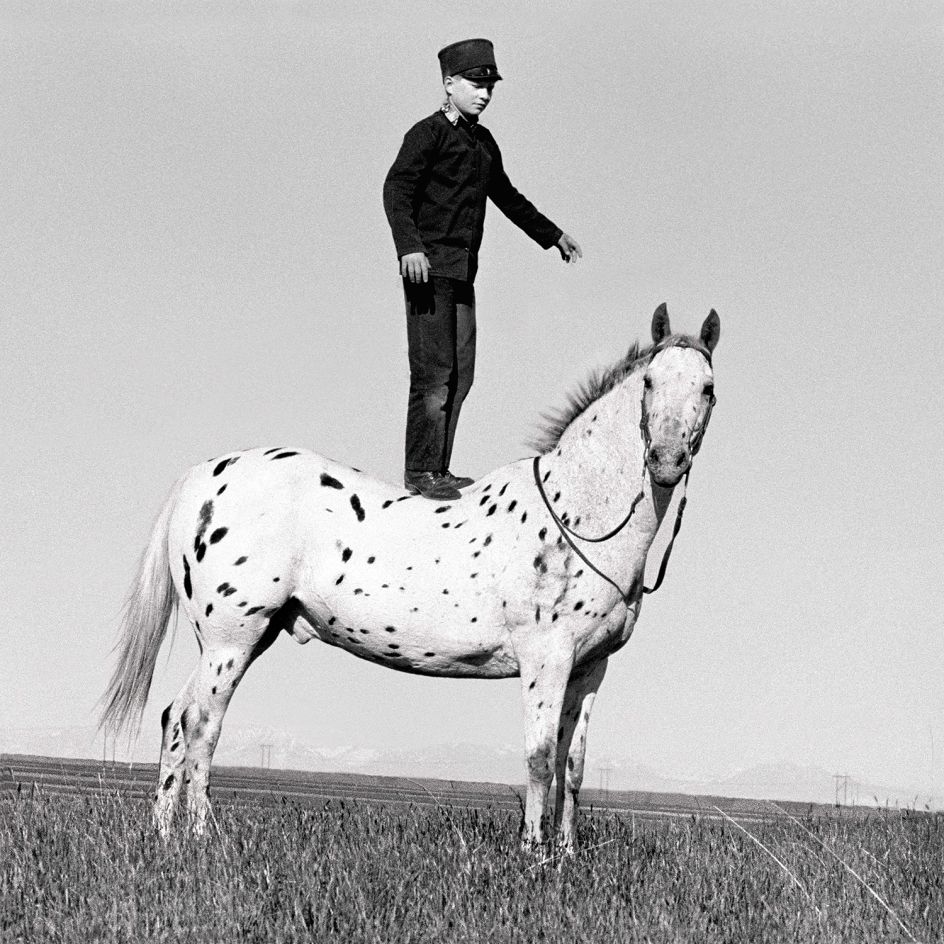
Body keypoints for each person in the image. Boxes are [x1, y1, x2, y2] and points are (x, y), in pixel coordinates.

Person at [383, 38, 582, 501]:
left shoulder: (483, 142)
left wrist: (551, 235)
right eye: (475, 84)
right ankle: (421, 472)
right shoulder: (427, 134)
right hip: (427, 272)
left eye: (490, 86)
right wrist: (409, 248)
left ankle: (440, 468)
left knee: (461, 375)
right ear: (449, 83)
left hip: (462, 274)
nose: (484, 94)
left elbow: (508, 196)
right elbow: (396, 189)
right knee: (433, 377)